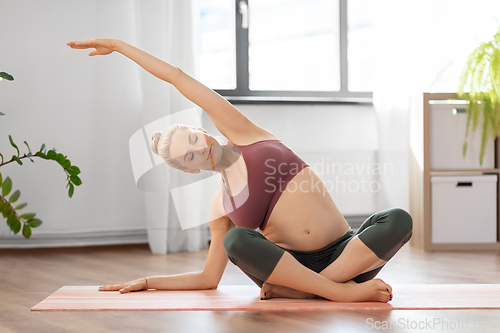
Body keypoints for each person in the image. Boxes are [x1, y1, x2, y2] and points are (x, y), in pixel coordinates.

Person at [67, 38, 413, 303]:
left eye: (192, 138)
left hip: (347, 254)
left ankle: (318, 291)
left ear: (201, 131)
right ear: (190, 171)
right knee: (236, 239)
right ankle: (338, 292)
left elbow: (176, 77)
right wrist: (148, 281)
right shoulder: (222, 205)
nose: (200, 148)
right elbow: (208, 278)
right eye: (189, 156)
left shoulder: (245, 134)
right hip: (291, 269)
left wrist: (119, 46)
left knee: (398, 218)